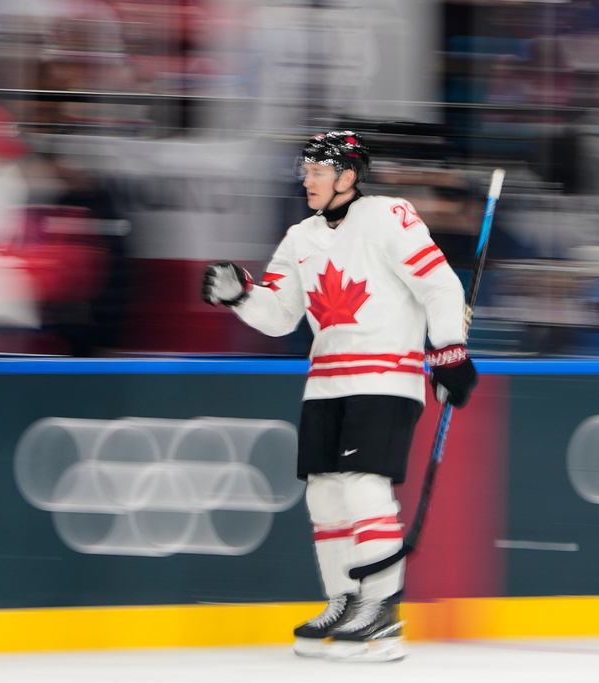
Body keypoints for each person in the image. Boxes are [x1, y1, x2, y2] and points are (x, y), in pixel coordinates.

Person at [200, 131, 478, 662]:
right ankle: (345, 601)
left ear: (347, 177)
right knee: (324, 495)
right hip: (325, 382)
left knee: (362, 486)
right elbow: (280, 316)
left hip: (385, 376)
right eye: (305, 170)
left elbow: (439, 285)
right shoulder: (299, 237)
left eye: (317, 171)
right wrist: (241, 294)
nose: (306, 179)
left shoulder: (388, 215)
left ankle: (382, 614)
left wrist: (448, 352)